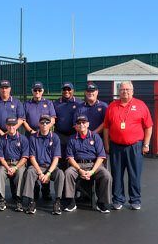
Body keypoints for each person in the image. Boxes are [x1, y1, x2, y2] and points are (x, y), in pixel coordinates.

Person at [103, 81, 153, 210]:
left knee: (134, 174)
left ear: (132, 91)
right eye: (122, 89)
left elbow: (149, 126)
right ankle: (118, 199)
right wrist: (106, 144)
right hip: (116, 146)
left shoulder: (140, 105)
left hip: (135, 146)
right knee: (117, 174)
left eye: (127, 89)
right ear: (119, 91)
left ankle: (135, 200)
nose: (125, 91)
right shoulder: (112, 106)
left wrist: (146, 144)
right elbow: (106, 127)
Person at [64, 115, 112, 213]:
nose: (81, 125)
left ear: (88, 124)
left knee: (107, 176)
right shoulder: (72, 139)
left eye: (84, 122)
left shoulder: (96, 137)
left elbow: (101, 157)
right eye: (79, 123)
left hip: (94, 165)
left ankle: (101, 203)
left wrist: (92, 171)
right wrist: (80, 170)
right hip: (78, 165)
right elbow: (70, 158)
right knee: (68, 173)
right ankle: (71, 202)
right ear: (76, 126)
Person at [22, 114, 64, 215]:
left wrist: (48, 173)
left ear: (51, 124)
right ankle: (31, 202)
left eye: (47, 122)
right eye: (42, 122)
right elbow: (32, 157)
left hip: (51, 167)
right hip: (38, 166)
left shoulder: (55, 138)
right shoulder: (33, 137)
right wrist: (40, 173)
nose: (44, 124)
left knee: (60, 174)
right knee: (29, 172)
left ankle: (57, 202)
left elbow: (56, 158)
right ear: (38, 124)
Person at [0, 116, 29, 212]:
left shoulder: (23, 139)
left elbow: (25, 157)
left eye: (13, 125)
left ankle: (19, 200)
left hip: (18, 163)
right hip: (6, 163)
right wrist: (8, 168)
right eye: (9, 125)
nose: (11, 127)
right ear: (6, 126)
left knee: (21, 173)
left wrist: (15, 168)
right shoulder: (1, 139)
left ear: (16, 126)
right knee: (0, 173)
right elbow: (1, 157)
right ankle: (1, 199)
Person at [53, 82, 83, 165]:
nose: (66, 91)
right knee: (61, 159)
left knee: (75, 159)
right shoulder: (56, 103)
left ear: (72, 90)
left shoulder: (79, 103)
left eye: (69, 89)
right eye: (64, 89)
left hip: (74, 135)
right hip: (60, 135)